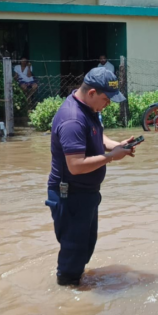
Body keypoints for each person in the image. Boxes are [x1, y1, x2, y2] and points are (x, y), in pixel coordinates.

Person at [47, 67, 135, 286]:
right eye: (106, 99)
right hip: (71, 195)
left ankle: (76, 285)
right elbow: (75, 166)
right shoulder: (72, 119)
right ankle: (67, 301)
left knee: (85, 247)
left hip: (85, 194)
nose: (109, 104)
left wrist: (116, 146)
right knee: (73, 254)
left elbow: (96, 134)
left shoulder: (87, 109)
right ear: (92, 93)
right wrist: (111, 157)